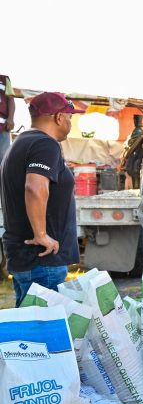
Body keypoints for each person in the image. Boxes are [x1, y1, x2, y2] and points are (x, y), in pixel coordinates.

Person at [0, 92, 85, 306]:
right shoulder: (45, 144)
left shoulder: (22, 142)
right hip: (42, 260)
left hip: (26, 259)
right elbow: (35, 187)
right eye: (69, 117)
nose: (69, 122)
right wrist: (41, 235)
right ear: (58, 117)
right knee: (43, 332)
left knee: (27, 332)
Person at [119, 114, 143, 189]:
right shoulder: (140, 131)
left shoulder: (138, 131)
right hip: (135, 154)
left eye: (135, 120)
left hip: (134, 155)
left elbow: (131, 142)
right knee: (128, 174)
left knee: (128, 174)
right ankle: (129, 190)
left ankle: (129, 190)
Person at [0, 74, 16, 165]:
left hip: (2, 126)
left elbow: (11, 99)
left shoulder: (4, 79)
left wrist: (11, 118)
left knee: (3, 157)